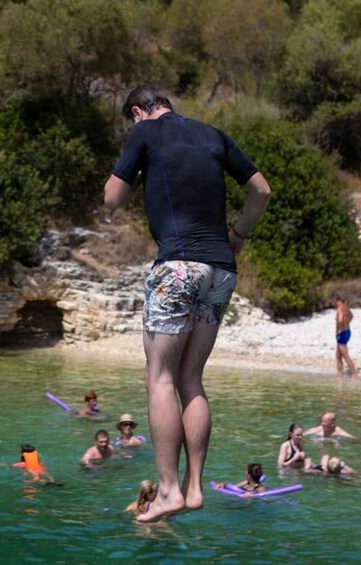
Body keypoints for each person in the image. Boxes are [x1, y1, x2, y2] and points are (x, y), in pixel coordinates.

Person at [103, 84, 272, 522]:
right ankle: (195, 487)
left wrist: (139, 171)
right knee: (191, 378)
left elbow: (112, 198)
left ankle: (168, 491)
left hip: (177, 268)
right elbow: (262, 192)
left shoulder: (145, 133)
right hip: (221, 270)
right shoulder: (213, 135)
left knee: (158, 378)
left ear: (139, 111)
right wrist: (239, 235)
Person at [331, 293, 358, 377]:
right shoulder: (345, 307)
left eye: (332, 301)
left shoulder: (339, 309)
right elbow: (351, 316)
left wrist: (338, 330)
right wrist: (347, 324)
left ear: (335, 300)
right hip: (347, 331)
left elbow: (340, 320)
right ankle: (340, 374)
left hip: (342, 333)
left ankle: (354, 374)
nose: (332, 303)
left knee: (345, 355)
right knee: (338, 355)